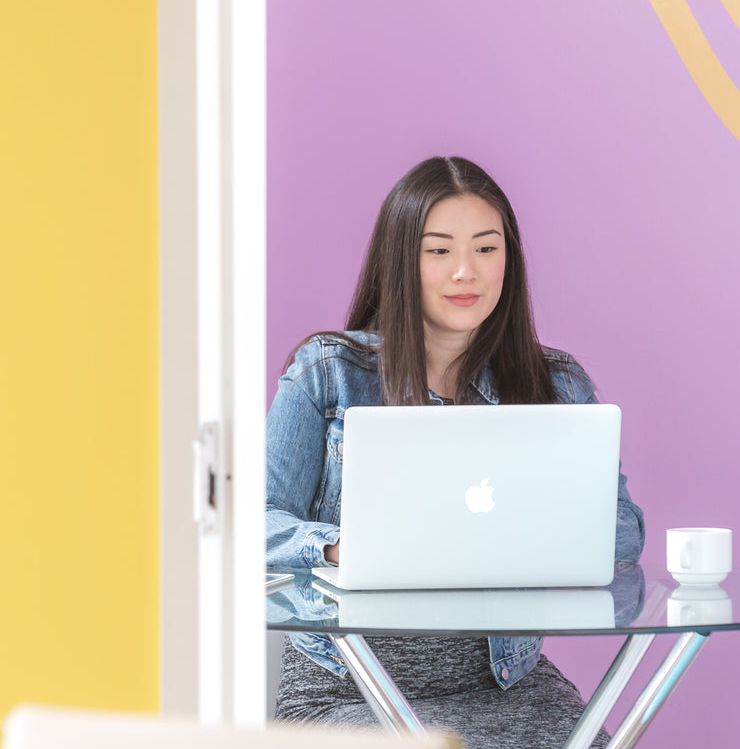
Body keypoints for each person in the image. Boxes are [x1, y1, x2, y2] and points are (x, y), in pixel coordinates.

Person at [266, 156, 645, 748]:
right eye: (439, 250)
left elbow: (623, 533)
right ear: (401, 261)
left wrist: (531, 527)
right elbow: (253, 527)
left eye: (486, 249)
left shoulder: (557, 387)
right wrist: (339, 546)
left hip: (506, 684)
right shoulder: (328, 372)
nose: (466, 272)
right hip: (346, 688)